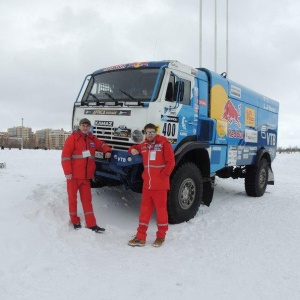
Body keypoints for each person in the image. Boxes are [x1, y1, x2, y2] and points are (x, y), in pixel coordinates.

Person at [128, 123, 175, 247]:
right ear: (145, 134)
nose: (150, 135)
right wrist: (132, 149)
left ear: (156, 132)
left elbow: (171, 162)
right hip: (147, 186)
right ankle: (140, 237)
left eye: (152, 132)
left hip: (160, 186)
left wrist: (163, 177)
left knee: (161, 212)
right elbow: (134, 147)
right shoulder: (143, 146)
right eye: (147, 133)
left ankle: (161, 237)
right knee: (144, 211)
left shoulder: (164, 144)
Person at [61, 118, 112, 233]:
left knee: (87, 201)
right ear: (79, 126)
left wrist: (107, 150)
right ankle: (75, 221)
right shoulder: (72, 139)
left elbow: (102, 144)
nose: (85, 128)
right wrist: (68, 172)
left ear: (89, 127)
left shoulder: (92, 139)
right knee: (72, 200)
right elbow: (65, 157)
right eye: (83, 125)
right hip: (73, 177)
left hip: (86, 177)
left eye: (87, 126)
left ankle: (91, 224)